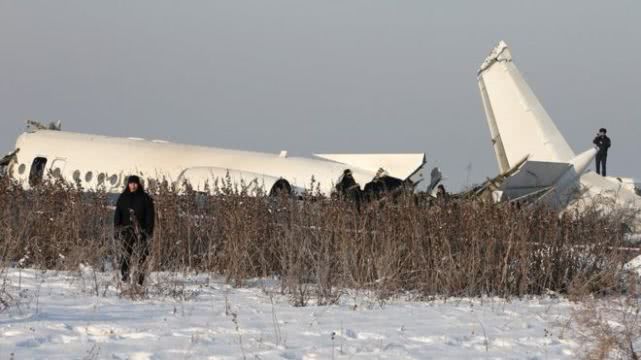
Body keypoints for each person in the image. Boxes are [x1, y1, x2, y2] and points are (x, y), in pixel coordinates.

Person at [114, 175, 155, 285]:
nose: (133, 185)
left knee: (142, 255)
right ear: (128, 184)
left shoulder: (145, 198)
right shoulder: (123, 197)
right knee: (126, 254)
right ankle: (125, 277)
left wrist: (148, 232)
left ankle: (139, 279)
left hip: (141, 231)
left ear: (139, 184)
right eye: (131, 183)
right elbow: (117, 214)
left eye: (135, 183)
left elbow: (150, 216)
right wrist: (117, 230)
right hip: (126, 231)